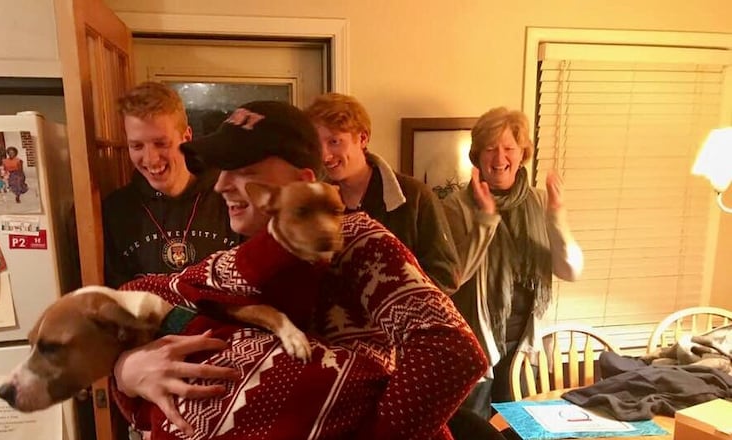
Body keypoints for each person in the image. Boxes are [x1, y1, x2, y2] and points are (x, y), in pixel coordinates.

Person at [110, 101, 488, 439]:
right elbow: (144, 294)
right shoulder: (239, 248)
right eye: (222, 170)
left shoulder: (354, 239)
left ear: (303, 181)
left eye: (244, 169)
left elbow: (451, 350)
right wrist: (127, 370)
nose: (222, 184)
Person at [442, 107, 584, 431]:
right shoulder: (456, 206)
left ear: (523, 154)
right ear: (477, 155)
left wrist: (557, 216)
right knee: (473, 431)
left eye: (509, 148)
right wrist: (485, 220)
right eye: (490, 148)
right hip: (477, 348)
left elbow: (571, 270)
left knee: (521, 430)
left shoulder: (538, 202)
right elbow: (452, 277)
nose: (500, 157)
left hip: (525, 346)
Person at [304, 93, 460, 295]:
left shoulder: (415, 196)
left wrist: (388, 300)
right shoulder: (315, 202)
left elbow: (446, 275)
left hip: (402, 324)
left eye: (334, 141)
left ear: (362, 138)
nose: (324, 155)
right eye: (318, 145)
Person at [102, 81, 240, 288]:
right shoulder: (114, 210)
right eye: (137, 146)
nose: (150, 159)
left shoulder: (230, 198)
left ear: (186, 138)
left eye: (161, 143)